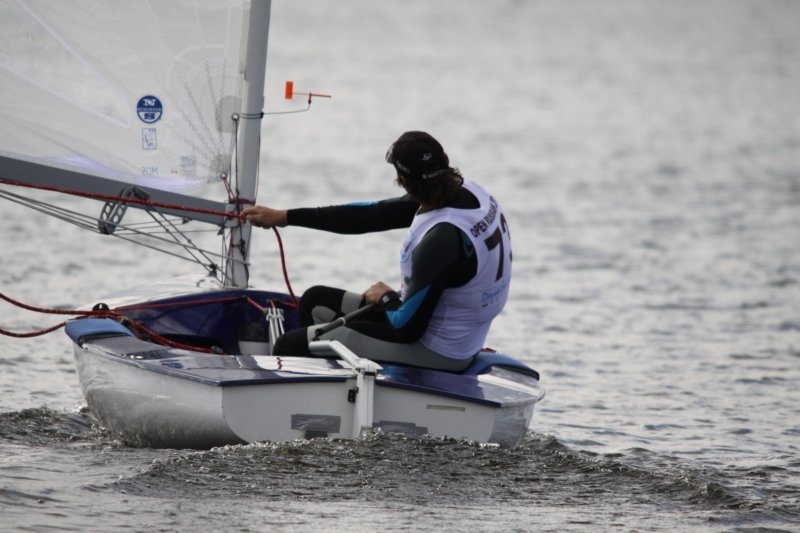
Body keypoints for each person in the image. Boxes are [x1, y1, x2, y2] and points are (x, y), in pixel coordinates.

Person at [241, 131, 512, 372]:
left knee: (289, 345)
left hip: (438, 350)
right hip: (452, 332)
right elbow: (369, 215)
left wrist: (386, 298)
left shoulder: (441, 240)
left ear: (402, 180)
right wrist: (285, 216)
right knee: (315, 301)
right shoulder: (468, 192)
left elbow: (406, 328)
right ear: (445, 163)